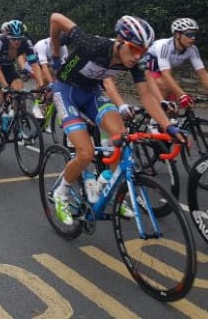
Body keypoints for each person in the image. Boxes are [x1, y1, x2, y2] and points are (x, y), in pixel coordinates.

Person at [48, 13, 184, 225]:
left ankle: (113, 193)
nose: (139, 56)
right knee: (86, 153)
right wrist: (56, 56)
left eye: (144, 51)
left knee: (122, 137)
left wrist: (169, 127)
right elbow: (55, 18)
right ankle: (61, 193)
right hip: (66, 91)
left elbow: (146, 96)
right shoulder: (94, 45)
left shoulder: (134, 62)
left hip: (92, 92)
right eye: (135, 48)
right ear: (120, 41)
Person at [145, 18, 208, 115]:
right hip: (146, 67)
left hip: (161, 70)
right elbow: (166, 75)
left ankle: (163, 117)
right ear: (177, 35)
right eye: (189, 34)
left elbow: (202, 73)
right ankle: (154, 122)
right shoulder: (165, 46)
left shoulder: (192, 49)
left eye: (194, 34)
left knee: (174, 108)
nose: (193, 38)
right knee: (165, 86)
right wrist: (182, 95)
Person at [0, 19, 42, 145]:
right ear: (7, 36)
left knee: (19, 92)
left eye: (19, 38)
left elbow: (35, 64)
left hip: (9, 68)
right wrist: (5, 87)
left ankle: (18, 124)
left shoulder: (25, 43)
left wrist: (41, 84)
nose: (17, 41)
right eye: (13, 39)